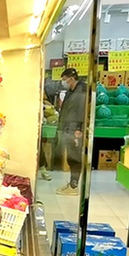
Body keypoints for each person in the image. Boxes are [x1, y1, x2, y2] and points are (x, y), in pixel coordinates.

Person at [55, 68, 87, 196]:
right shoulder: (71, 91)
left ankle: (74, 186)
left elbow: (81, 111)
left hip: (75, 130)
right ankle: (72, 183)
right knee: (70, 157)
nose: (63, 82)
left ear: (71, 78)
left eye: (64, 80)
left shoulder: (81, 91)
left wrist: (79, 129)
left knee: (75, 158)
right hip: (68, 128)